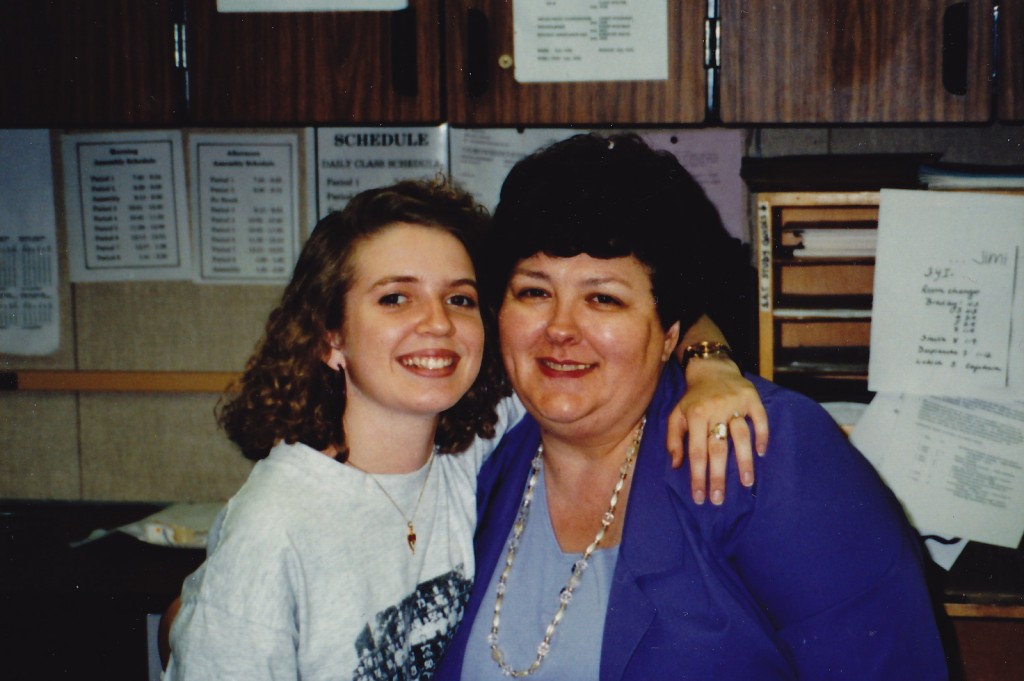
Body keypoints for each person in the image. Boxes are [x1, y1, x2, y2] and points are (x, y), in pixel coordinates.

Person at [163, 178, 766, 680]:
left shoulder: (469, 448)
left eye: (459, 299)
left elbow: (654, 314)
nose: (437, 325)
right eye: (395, 299)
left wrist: (709, 363)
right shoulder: (274, 528)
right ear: (330, 336)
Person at [433, 134, 948, 680]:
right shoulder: (482, 457)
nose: (561, 329)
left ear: (669, 333)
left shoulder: (766, 451)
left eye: (603, 298)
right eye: (534, 292)